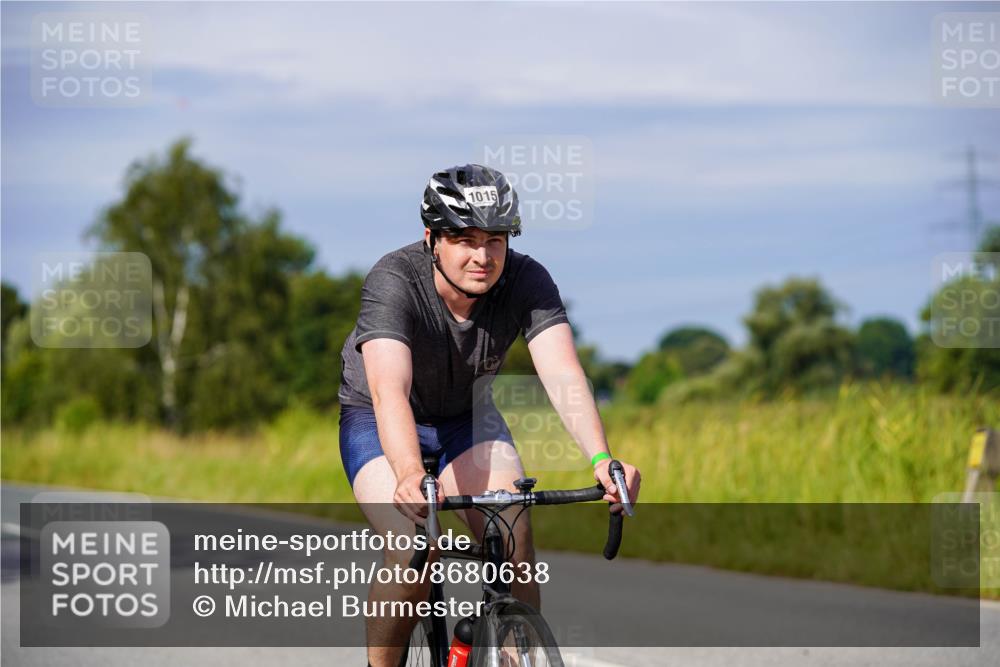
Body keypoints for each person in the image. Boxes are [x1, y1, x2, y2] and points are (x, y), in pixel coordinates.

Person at [338, 164, 641, 666]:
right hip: (380, 418)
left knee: (513, 529)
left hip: (466, 418)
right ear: (431, 238)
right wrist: (410, 471)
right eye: (464, 239)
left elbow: (563, 373)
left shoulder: (527, 279)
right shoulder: (393, 279)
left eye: (495, 239)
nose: (482, 256)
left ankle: (514, 654)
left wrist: (602, 459)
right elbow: (389, 388)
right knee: (414, 548)